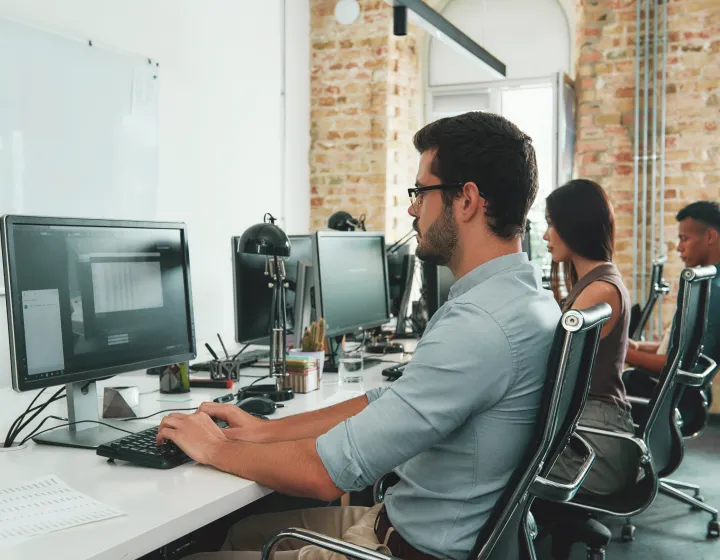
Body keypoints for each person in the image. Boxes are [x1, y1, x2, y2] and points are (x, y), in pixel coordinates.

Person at [159, 112, 561, 560]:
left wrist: (213, 446)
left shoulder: (478, 324)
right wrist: (263, 431)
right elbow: (386, 404)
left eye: (420, 191)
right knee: (239, 533)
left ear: (466, 200)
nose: (412, 207)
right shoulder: (528, 301)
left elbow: (324, 474)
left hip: (407, 550)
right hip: (411, 527)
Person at [540, 179, 637, 495]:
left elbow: (555, 369)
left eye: (551, 224)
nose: (544, 235)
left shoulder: (599, 291)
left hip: (596, 446)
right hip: (591, 431)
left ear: (573, 225)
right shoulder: (598, 281)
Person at [623, 201, 720, 428]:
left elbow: (684, 364)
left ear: (711, 237)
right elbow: (684, 347)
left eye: (684, 239)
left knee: (609, 387)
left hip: (680, 399)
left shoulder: (711, 292)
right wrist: (636, 347)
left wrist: (623, 352)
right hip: (682, 393)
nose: (678, 247)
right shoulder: (705, 283)